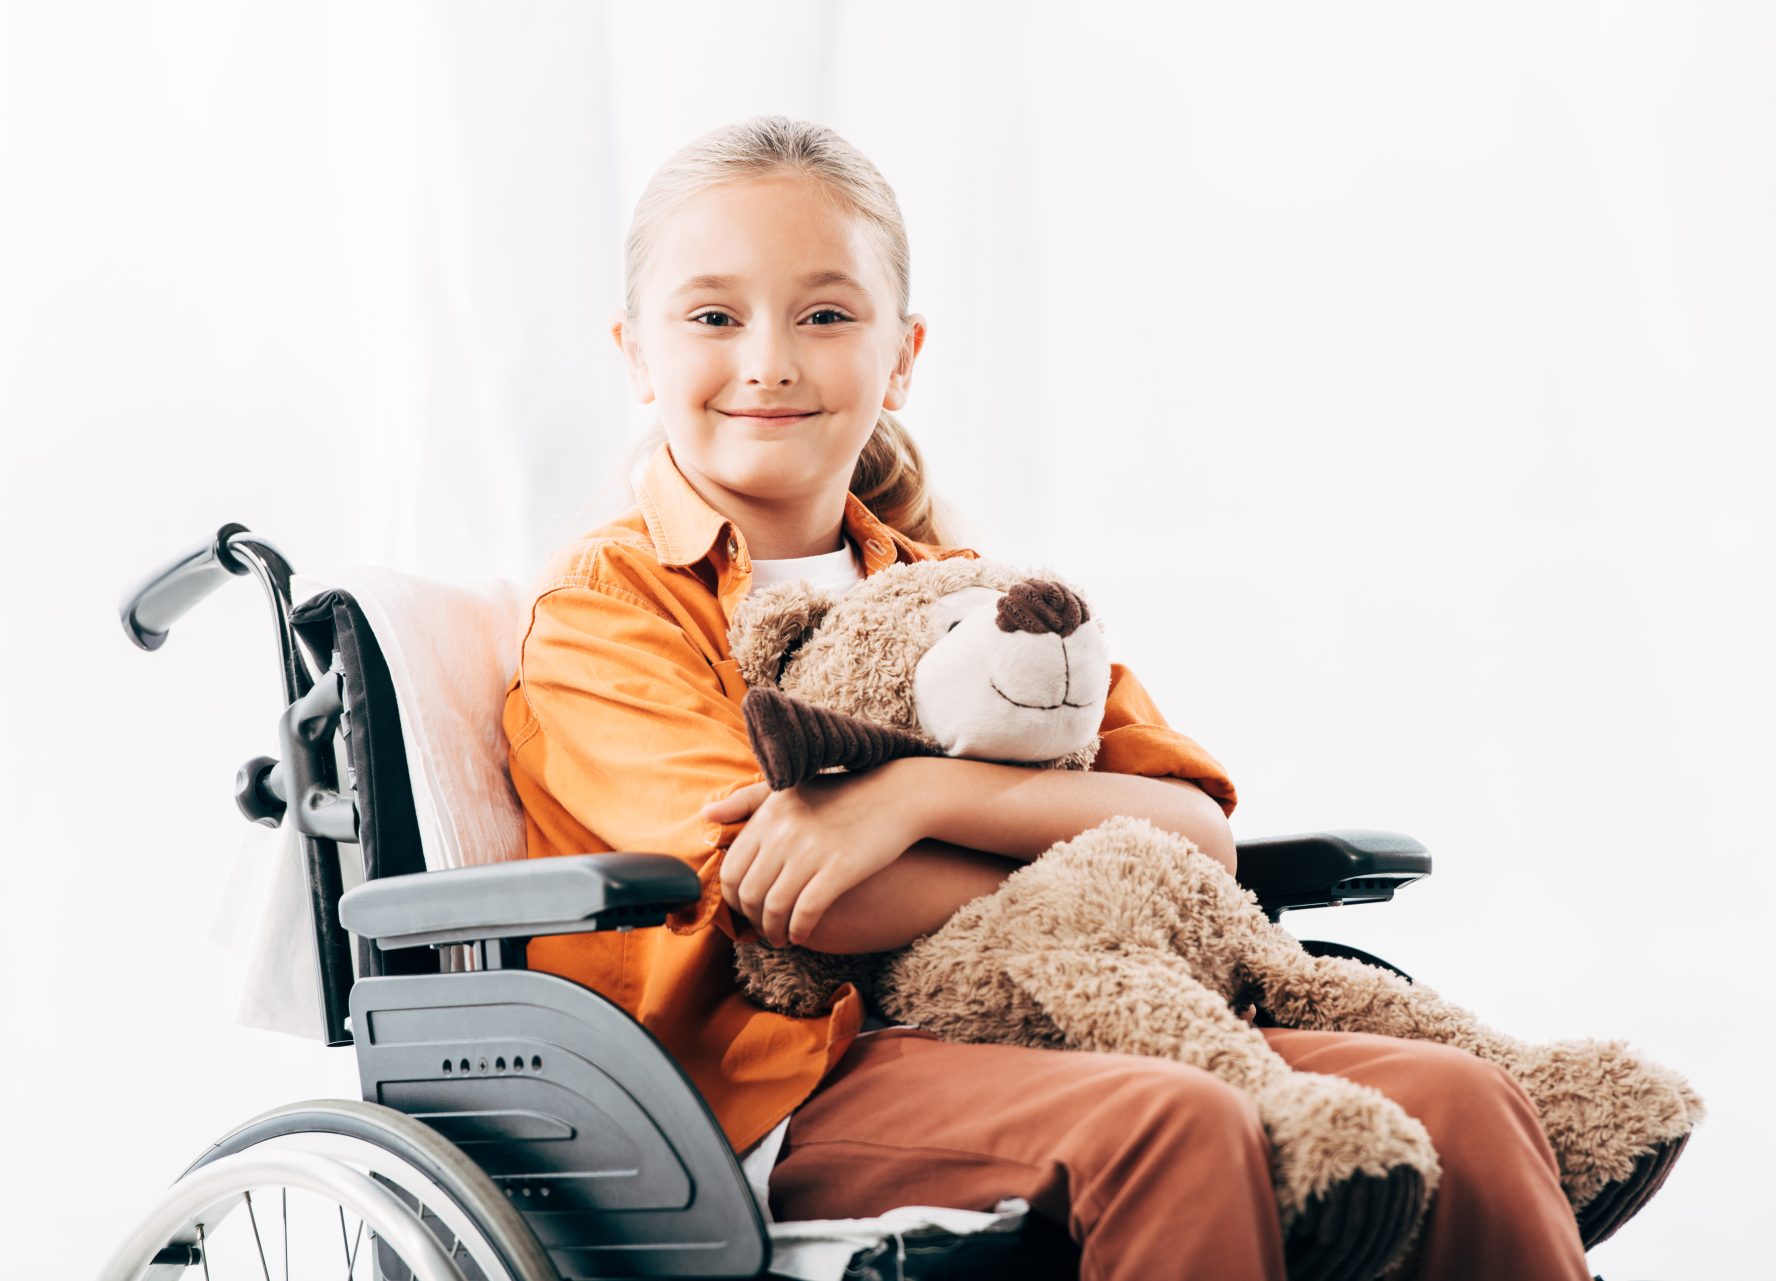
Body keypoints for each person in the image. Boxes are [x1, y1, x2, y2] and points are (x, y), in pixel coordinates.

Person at [502, 114, 1593, 1281]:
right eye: (714, 316)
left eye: (825, 314)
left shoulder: (970, 598)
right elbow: (795, 897)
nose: (769, 359)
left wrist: (916, 797)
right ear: (635, 353)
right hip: (770, 1087)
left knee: (1458, 1101)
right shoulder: (607, 605)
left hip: (1044, 1016)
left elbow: (1193, 831)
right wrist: (1070, 864)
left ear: (904, 354)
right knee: (1175, 1126)